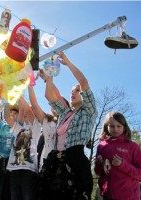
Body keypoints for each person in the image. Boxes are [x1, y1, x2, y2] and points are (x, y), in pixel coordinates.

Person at [39, 51, 98, 200]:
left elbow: (84, 83)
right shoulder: (65, 113)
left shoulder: (88, 111)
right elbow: (48, 96)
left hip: (76, 160)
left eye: (77, 91)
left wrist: (68, 63)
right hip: (57, 161)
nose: (73, 93)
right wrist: (50, 73)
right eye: (72, 91)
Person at [94, 112, 141, 200]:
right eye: (111, 126)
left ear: (124, 127)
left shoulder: (132, 146)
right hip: (107, 195)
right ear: (106, 127)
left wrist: (122, 165)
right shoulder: (101, 146)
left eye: (119, 126)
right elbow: (98, 172)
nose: (115, 129)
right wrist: (99, 164)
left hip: (129, 197)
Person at [6, 96, 41, 200]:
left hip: (29, 171)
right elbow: (7, 118)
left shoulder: (36, 128)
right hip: (14, 170)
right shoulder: (18, 128)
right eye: (23, 111)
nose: (25, 112)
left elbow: (29, 110)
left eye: (28, 110)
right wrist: (8, 98)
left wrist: (19, 93)